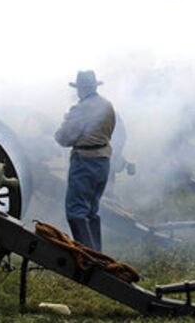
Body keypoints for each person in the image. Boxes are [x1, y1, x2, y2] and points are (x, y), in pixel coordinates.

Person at [55, 70, 116, 252]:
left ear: (81, 89)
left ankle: (87, 257)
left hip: (84, 161)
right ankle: (97, 253)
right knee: (92, 211)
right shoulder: (107, 105)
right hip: (103, 161)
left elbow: (64, 138)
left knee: (75, 212)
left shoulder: (81, 109)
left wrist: (62, 126)